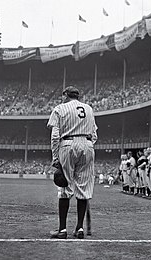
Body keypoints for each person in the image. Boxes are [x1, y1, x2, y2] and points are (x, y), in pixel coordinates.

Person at [48, 86, 98, 239]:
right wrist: (86, 145)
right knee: (83, 189)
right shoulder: (89, 109)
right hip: (87, 145)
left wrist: (56, 156)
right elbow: (94, 134)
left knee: (65, 187)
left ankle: (62, 230)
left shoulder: (60, 108)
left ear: (65, 95)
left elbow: (55, 135)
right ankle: (80, 229)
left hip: (68, 144)